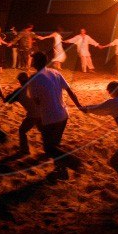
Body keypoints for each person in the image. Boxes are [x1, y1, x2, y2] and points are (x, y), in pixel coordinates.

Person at [28, 52, 82, 180]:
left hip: (50, 117)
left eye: (32, 59)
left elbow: (36, 102)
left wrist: (39, 118)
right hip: (63, 114)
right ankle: (62, 171)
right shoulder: (55, 72)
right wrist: (79, 106)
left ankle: (73, 161)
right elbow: (69, 91)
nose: (31, 61)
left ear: (35, 62)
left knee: (49, 148)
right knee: (55, 145)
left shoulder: (34, 79)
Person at [4, 72, 40, 155]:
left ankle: (24, 150)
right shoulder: (35, 87)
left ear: (20, 81)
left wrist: (6, 96)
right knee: (43, 130)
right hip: (43, 113)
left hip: (33, 115)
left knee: (22, 131)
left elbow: (7, 100)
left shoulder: (19, 91)